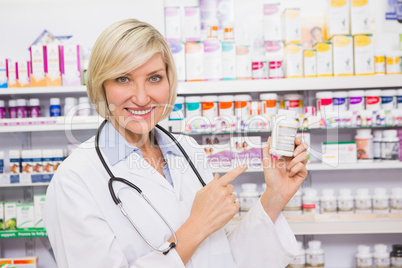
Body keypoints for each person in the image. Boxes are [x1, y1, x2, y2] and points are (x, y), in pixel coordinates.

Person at [44, 19, 309, 268]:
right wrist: (197, 225)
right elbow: (198, 233)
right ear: (100, 86)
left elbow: (222, 257)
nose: (141, 97)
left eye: (154, 78)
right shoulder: (75, 179)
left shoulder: (188, 151)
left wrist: (275, 196)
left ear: (169, 82)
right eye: (123, 78)